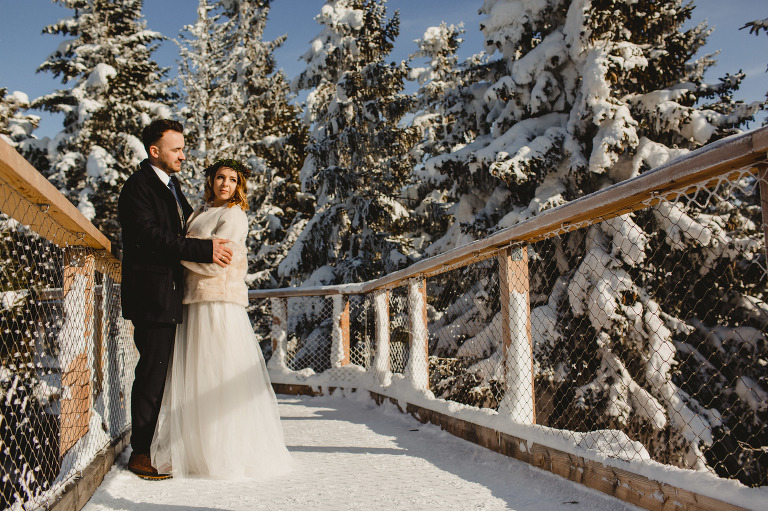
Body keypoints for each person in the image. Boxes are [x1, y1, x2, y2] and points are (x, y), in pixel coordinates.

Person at [150, 158, 293, 479]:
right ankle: (196, 450)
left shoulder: (233, 215)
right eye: (219, 177)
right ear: (211, 181)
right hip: (194, 300)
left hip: (218, 301)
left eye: (232, 179)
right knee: (196, 374)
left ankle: (224, 453)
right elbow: (198, 249)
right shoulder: (201, 211)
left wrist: (177, 255)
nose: (225, 184)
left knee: (217, 372)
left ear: (239, 186)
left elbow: (218, 263)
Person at [118, 119, 233, 480]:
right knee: (152, 375)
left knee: (169, 374)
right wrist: (206, 249)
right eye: (176, 149)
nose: (184, 155)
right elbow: (151, 237)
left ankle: (160, 445)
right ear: (155, 151)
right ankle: (140, 453)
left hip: (173, 295)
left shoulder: (171, 185)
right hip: (152, 295)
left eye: (183, 148)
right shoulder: (138, 188)